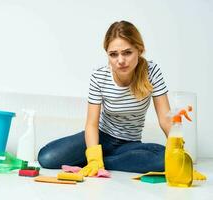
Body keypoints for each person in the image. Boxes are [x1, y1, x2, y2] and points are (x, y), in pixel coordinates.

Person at [38, 20, 171, 176]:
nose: (120, 60)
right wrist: (94, 156)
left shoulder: (152, 72)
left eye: (127, 52)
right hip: (100, 137)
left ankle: (104, 162)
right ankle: (97, 159)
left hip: (129, 144)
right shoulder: (99, 76)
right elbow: (91, 124)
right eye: (113, 54)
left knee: (163, 159)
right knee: (46, 158)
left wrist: (178, 150)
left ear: (139, 50)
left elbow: (165, 118)